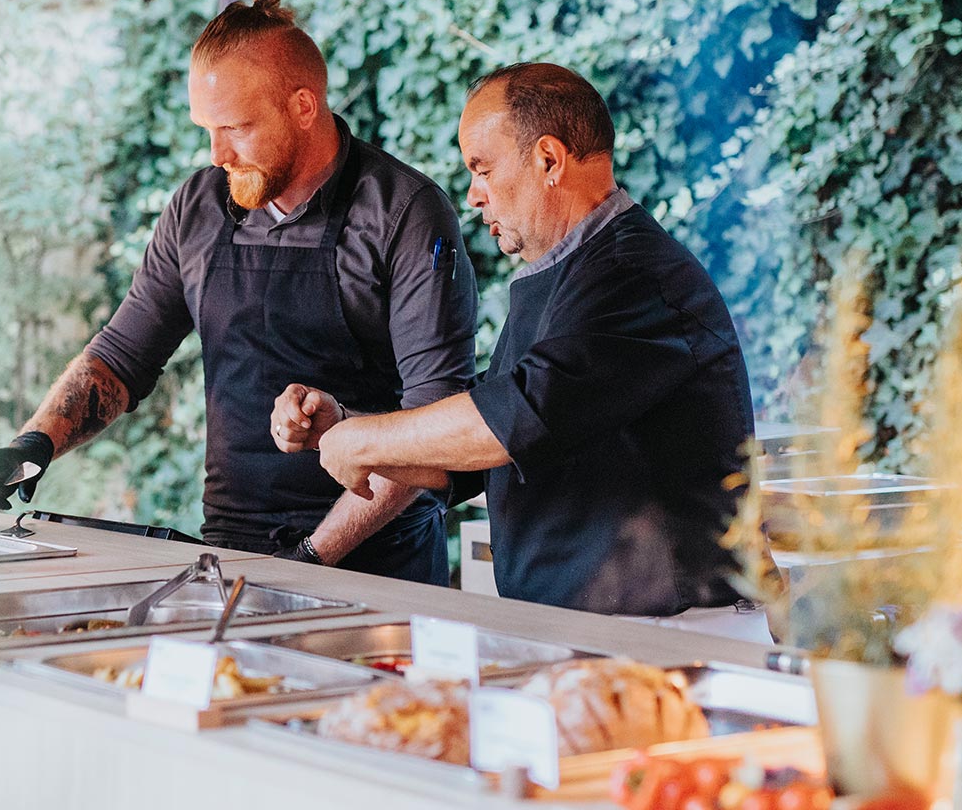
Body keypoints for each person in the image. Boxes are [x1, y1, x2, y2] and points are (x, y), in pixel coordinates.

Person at [0, 0, 477, 585]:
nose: (217, 154)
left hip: (377, 564)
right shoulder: (198, 206)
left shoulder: (403, 213)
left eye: (235, 128)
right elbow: (120, 359)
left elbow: (433, 426)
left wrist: (312, 558)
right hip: (230, 549)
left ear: (303, 106)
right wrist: (36, 441)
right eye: (207, 129)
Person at [271, 62, 757, 629]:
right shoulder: (564, 272)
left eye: (482, 168)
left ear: (548, 160)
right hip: (589, 623)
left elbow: (520, 415)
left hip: (669, 626)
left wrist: (365, 439)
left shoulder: (631, 273)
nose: (474, 196)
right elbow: (489, 447)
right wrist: (347, 426)